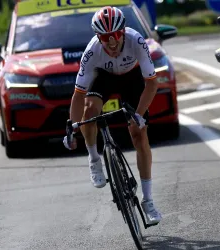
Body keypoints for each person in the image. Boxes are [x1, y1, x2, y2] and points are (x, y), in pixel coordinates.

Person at [63, 6, 162, 225]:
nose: (112, 41)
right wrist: (71, 126)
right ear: (98, 37)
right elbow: (78, 94)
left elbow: (152, 83)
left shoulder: (136, 41)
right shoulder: (92, 52)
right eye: (106, 37)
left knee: (139, 134)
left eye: (116, 35)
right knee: (89, 111)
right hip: (104, 78)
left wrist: (139, 114)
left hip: (132, 78)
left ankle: (148, 200)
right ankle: (94, 158)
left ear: (123, 31)